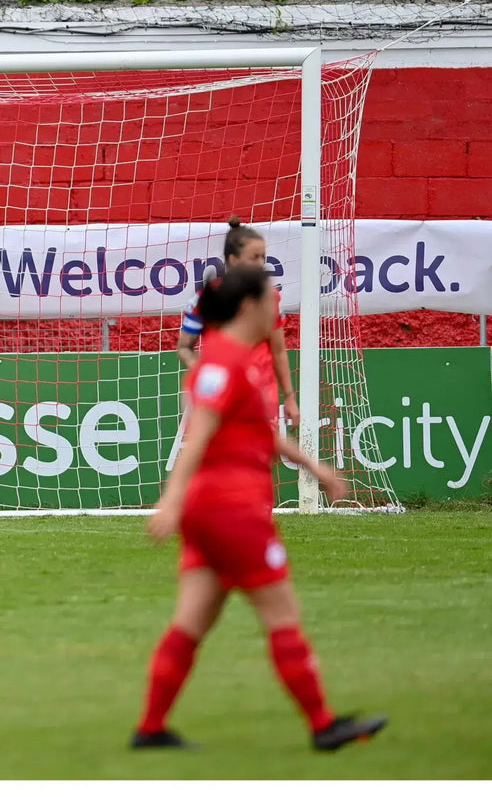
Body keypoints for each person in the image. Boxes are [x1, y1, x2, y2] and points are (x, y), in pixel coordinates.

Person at [134, 267, 386, 752]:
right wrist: (169, 499)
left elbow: (258, 433)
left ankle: (151, 728)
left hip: (213, 514)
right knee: (282, 614)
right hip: (233, 513)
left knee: (191, 621)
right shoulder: (221, 362)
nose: (278, 307)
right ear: (250, 305)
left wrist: (315, 467)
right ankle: (323, 725)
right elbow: (198, 436)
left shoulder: (239, 360)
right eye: (272, 298)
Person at [178, 217, 300, 428]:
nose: (260, 263)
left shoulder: (270, 299)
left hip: (262, 398)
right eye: (254, 257)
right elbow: (184, 347)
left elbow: (278, 351)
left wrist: (289, 397)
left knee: (261, 449)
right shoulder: (207, 299)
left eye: (263, 257)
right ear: (233, 260)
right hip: (220, 399)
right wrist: (204, 370)